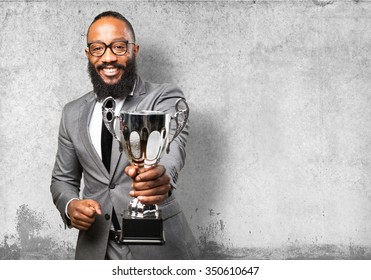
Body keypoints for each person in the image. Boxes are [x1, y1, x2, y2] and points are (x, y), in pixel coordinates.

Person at [50, 11, 199, 260]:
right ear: (89, 54)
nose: (108, 57)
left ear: (134, 50)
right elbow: (62, 180)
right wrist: (70, 205)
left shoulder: (164, 96)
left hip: (158, 247)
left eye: (119, 47)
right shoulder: (72, 113)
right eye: (98, 48)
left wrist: (160, 177)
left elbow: (173, 149)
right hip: (96, 250)